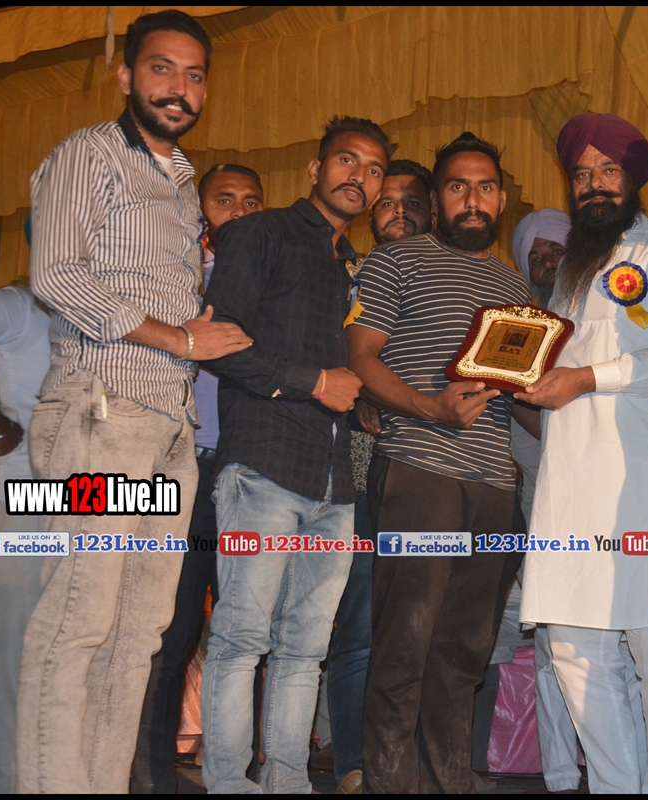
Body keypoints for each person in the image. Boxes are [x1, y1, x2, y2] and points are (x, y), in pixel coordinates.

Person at [17, 12, 254, 793]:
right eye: (161, 69)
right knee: (80, 615)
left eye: (194, 75)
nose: (178, 88)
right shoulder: (87, 154)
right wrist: (180, 338)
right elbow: (56, 276)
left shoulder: (182, 182)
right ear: (125, 76)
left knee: (139, 632)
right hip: (101, 411)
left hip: (168, 429)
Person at [198, 116, 384, 793]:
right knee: (241, 640)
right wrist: (314, 382)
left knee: (306, 650)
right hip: (264, 468)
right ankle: (228, 783)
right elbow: (219, 341)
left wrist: (355, 396)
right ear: (314, 169)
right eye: (346, 160)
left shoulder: (350, 266)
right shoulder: (260, 233)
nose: (358, 177)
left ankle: (288, 782)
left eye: (373, 169)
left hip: (335, 483)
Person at [517, 112, 648, 794]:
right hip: (569, 484)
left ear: (633, 178)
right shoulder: (570, 266)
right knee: (572, 649)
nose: (594, 184)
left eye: (608, 170)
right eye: (582, 173)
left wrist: (588, 379)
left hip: (642, 480)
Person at [348, 132, 533, 794]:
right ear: (436, 196)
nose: (472, 199)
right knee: (405, 642)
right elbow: (359, 357)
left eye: (485, 187)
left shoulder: (516, 286)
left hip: (494, 485)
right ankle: (390, 784)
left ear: (502, 200)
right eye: (458, 186)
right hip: (418, 469)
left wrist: (554, 396)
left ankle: (448, 782)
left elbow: (521, 403)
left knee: (463, 654)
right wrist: (430, 408)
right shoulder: (396, 259)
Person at [130, 163, 265, 793]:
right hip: (182, 471)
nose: (238, 211)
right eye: (224, 199)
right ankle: (149, 776)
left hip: (252, 477)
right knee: (173, 630)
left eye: (251, 202)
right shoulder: (176, 278)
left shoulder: (273, 280)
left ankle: (236, 774)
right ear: (199, 210)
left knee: (245, 635)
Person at [329, 156, 436, 794]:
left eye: (411, 201)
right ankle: (352, 765)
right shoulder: (348, 276)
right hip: (360, 475)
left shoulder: (459, 275)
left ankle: (415, 766)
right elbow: (326, 355)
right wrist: (359, 389)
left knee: (425, 633)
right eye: (386, 201)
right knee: (362, 627)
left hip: (438, 479)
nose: (397, 211)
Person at [506, 207, 582, 794]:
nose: (548, 262)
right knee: (554, 635)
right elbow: (518, 405)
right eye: (537, 255)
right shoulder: (516, 323)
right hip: (539, 492)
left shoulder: (594, 312)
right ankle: (558, 773)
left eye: (557, 250)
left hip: (600, 488)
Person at [0, 283, 51, 793]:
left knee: (68, 656)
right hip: (25, 491)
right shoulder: (17, 305)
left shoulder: (108, 315)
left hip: (97, 499)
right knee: (17, 655)